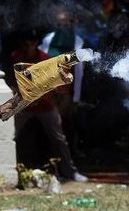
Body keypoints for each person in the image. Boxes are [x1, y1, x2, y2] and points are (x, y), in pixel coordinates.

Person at [10, 29, 88, 182]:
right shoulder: (15, 57)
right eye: (25, 43)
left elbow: (52, 85)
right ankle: (10, 170)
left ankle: (70, 172)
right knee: (10, 135)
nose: (28, 46)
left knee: (59, 138)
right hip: (23, 104)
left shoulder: (44, 59)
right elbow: (12, 82)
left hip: (45, 103)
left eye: (31, 43)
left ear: (36, 44)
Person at [39, 9, 87, 172]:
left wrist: (76, 98)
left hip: (67, 93)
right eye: (59, 24)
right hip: (51, 92)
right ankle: (51, 164)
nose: (63, 27)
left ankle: (67, 164)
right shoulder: (48, 40)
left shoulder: (77, 41)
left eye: (65, 24)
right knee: (53, 130)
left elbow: (79, 72)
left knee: (67, 128)